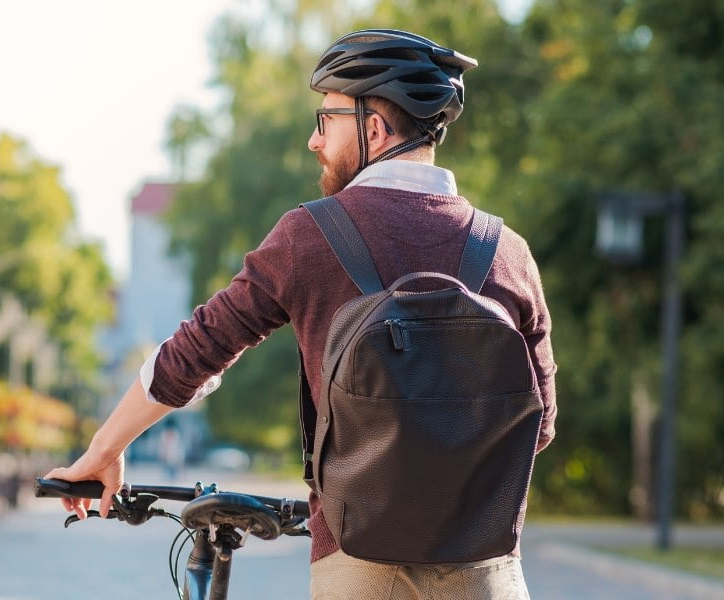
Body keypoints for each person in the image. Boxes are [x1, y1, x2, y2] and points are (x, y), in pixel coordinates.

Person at [46, 29, 556, 599]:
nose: (314, 141)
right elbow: (538, 424)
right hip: (486, 574)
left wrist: (103, 452)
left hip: (356, 566)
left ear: (374, 128)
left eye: (326, 120)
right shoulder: (507, 250)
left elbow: (193, 355)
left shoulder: (310, 236)